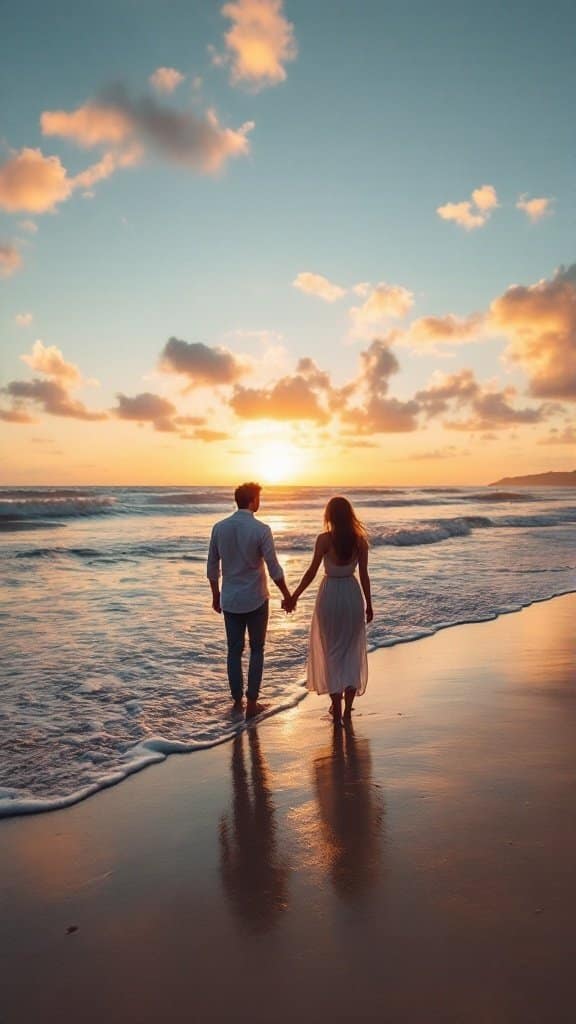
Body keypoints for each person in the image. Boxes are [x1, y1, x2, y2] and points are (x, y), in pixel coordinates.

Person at [284, 496, 373, 725]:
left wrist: (294, 595)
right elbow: (364, 576)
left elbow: (312, 571)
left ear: (330, 516)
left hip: (330, 595)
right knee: (352, 651)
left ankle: (336, 706)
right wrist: (369, 604)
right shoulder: (360, 541)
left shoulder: (324, 540)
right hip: (352, 596)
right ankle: (347, 710)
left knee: (331, 651)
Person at [207, 481, 292, 720]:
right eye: (258, 498)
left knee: (233, 651)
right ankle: (252, 702)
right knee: (257, 649)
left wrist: (216, 594)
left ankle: (237, 701)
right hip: (256, 598)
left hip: (231, 599)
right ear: (253, 501)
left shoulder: (219, 528)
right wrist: (287, 595)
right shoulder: (261, 529)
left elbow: (212, 566)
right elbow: (274, 567)